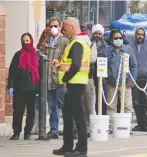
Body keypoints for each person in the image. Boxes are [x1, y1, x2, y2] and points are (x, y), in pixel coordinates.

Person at [52, 17, 90, 157]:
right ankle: (67, 146)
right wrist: (60, 65)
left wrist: (66, 78)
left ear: (73, 27)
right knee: (67, 114)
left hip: (75, 83)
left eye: (65, 28)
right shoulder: (74, 42)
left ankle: (81, 148)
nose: (63, 30)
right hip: (73, 83)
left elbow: (75, 65)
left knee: (78, 115)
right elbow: (70, 64)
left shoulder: (78, 43)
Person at [100, 30, 138, 132]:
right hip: (111, 84)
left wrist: (131, 81)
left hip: (125, 84)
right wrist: (104, 82)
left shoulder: (128, 50)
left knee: (127, 106)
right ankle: (111, 127)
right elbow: (102, 66)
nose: (118, 40)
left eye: (120, 38)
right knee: (111, 106)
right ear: (111, 40)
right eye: (116, 38)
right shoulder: (106, 51)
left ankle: (126, 127)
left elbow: (134, 66)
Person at [7, 33, 41, 140]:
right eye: (24, 41)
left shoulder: (37, 55)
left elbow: (40, 73)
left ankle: (27, 132)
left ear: (31, 41)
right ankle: (16, 132)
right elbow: (12, 72)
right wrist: (11, 86)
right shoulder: (18, 55)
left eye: (27, 40)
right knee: (18, 111)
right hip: (19, 88)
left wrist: (39, 88)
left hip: (32, 88)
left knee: (31, 111)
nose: (26, 43)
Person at [43, 17, 69, 139]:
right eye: (51, 26)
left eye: (55, 26)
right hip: (48, 79)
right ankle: (54, 130)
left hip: (60, 79)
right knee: (52, 108)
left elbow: (68, 60)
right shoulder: (46, 40)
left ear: (60, 27)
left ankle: (71, 129)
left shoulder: (64, 41)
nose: (53, 28)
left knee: (66, 106)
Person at [129, 28, 147, 132]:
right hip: (134, 78)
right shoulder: (129, 46)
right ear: (135, 35)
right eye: (138, 34)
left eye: (142, 34)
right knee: (136, 102)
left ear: (144, 36)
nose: (140, 36)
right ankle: (140, 124)